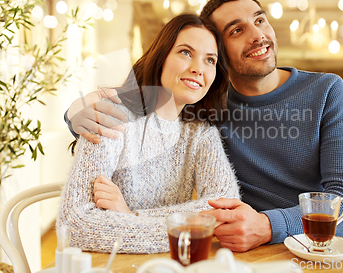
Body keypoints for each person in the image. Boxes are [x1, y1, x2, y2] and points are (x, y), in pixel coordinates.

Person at [65, 0, 343, 252]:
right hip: (239, 249)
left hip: (319, 246)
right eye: (237, 31)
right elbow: (146, 113)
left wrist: (267, 225)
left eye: (260, 20)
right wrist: (73, 113)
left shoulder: (326, 90)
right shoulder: (207, 107)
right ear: (222, 57)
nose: (257, 35)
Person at [57, 13, 240, 254]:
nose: (198, 69)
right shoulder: (111, 116)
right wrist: (187, 228)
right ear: (161, 57)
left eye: (210, 60)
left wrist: (131, 215)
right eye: (186, 52)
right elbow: (73, 225)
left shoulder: (201, 134)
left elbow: (225, 208)